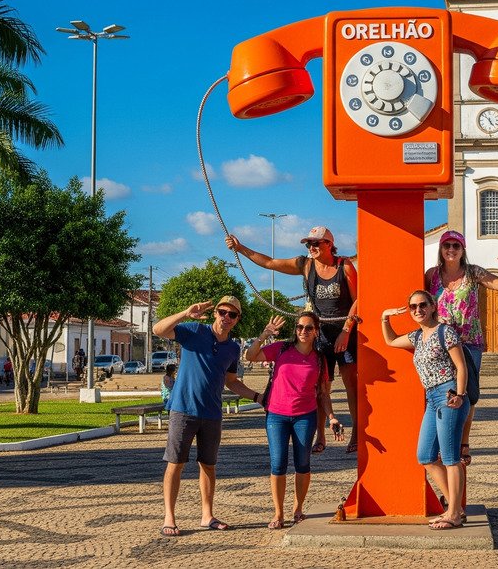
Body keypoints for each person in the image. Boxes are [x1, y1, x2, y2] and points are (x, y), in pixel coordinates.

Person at [226, 227, 360, 454]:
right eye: (308, 244)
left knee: (351, 385)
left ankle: (356, 433)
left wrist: (346, 330)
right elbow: (270, 263)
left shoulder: (344, 266)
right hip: (319, 333)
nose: (311, 248)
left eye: (316, 244)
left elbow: (359, 300)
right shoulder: (305, 265)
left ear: (329, 244)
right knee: (320, 387)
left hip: (345, 332)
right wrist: (240, 249)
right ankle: (321, 436)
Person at [153, 296, 263, 537]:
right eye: (222, 312)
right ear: (216, 313)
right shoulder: (194, 331)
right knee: (176, 463)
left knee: (208, 465)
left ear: (237, 319)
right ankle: (169, 517)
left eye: (232, 315)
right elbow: (158, 329)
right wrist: (185, 312)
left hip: (212, 413)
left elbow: (231, 382)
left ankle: (207, 515)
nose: (226, 317)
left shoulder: (233, 348)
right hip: (183, 409)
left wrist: (257, 397)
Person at [423, 229, 498, 466]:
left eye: (456, 246)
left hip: (470, 341)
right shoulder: (431, 275)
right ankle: (441, 436)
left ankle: (463, 441)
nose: (451, 250)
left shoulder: (473, 272)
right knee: (441, 389)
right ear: (441, 249)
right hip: (441, 343)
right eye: (447, 246)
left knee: (468, 394)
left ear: (463, 250)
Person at [246, 310, 345, 529]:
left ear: (316, 332)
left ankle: (298, 508)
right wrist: (263, 335)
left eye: (309, 328)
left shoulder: (319, 360)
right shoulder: (281, 349)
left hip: (305, 417)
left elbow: (323, 393)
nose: (303, 331)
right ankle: (278, 513)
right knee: (278, 464)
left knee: (302, 464)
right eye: (300, 327)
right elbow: (250, 356)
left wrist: (331, 418)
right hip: (277, 416)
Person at [380, 290, 470, 530]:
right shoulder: (417, 337)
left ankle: (453, 514)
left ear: (432, 307)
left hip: (449, 394)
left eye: (422, 305)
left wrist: (459, 395)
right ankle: (455, 507)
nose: (417, 310)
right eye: (413, 307)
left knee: (451, 458)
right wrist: (385, 317)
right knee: (426, 457)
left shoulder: (445, 331)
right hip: (431, 397)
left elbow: (461, 367)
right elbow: (390, 341)